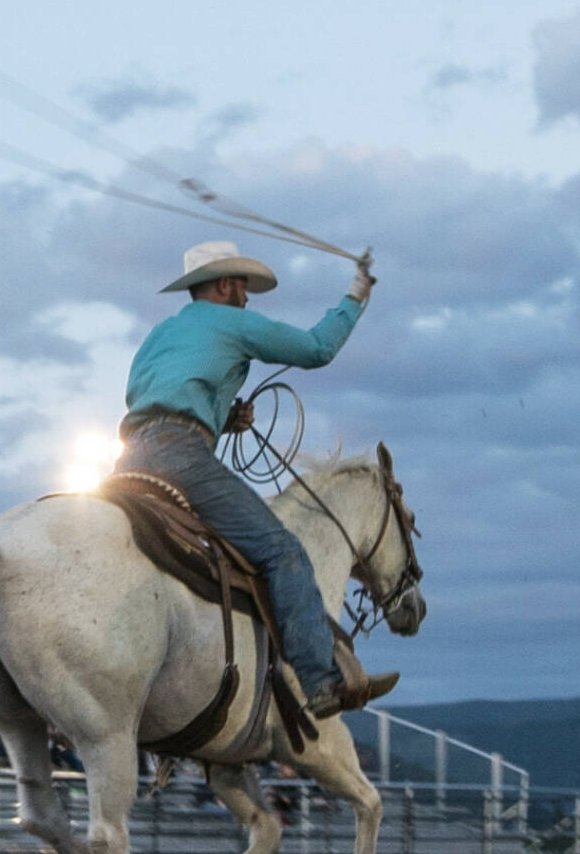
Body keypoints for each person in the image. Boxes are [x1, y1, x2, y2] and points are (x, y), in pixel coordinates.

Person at [118, 239, 391, 718]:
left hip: (127, 458)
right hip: (181, 455)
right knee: (281, 550)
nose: (247, 297)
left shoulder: (159, 335)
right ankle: (318, 678)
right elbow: (317, 348)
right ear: (224, 285)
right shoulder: (233, 321)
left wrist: (221, 418)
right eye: (243, 287)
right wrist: (356, 297)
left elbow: (151, 396)